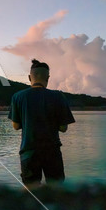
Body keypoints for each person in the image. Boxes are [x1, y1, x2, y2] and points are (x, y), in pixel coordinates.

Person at [8, 59, 75, 187]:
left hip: (28, 152)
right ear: (48, 78)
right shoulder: (58, 96)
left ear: (29, 77)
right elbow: (63, 128)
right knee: (56, 191)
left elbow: (16, 126)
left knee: (32, 193)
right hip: (52, 152)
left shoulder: (18, 97)